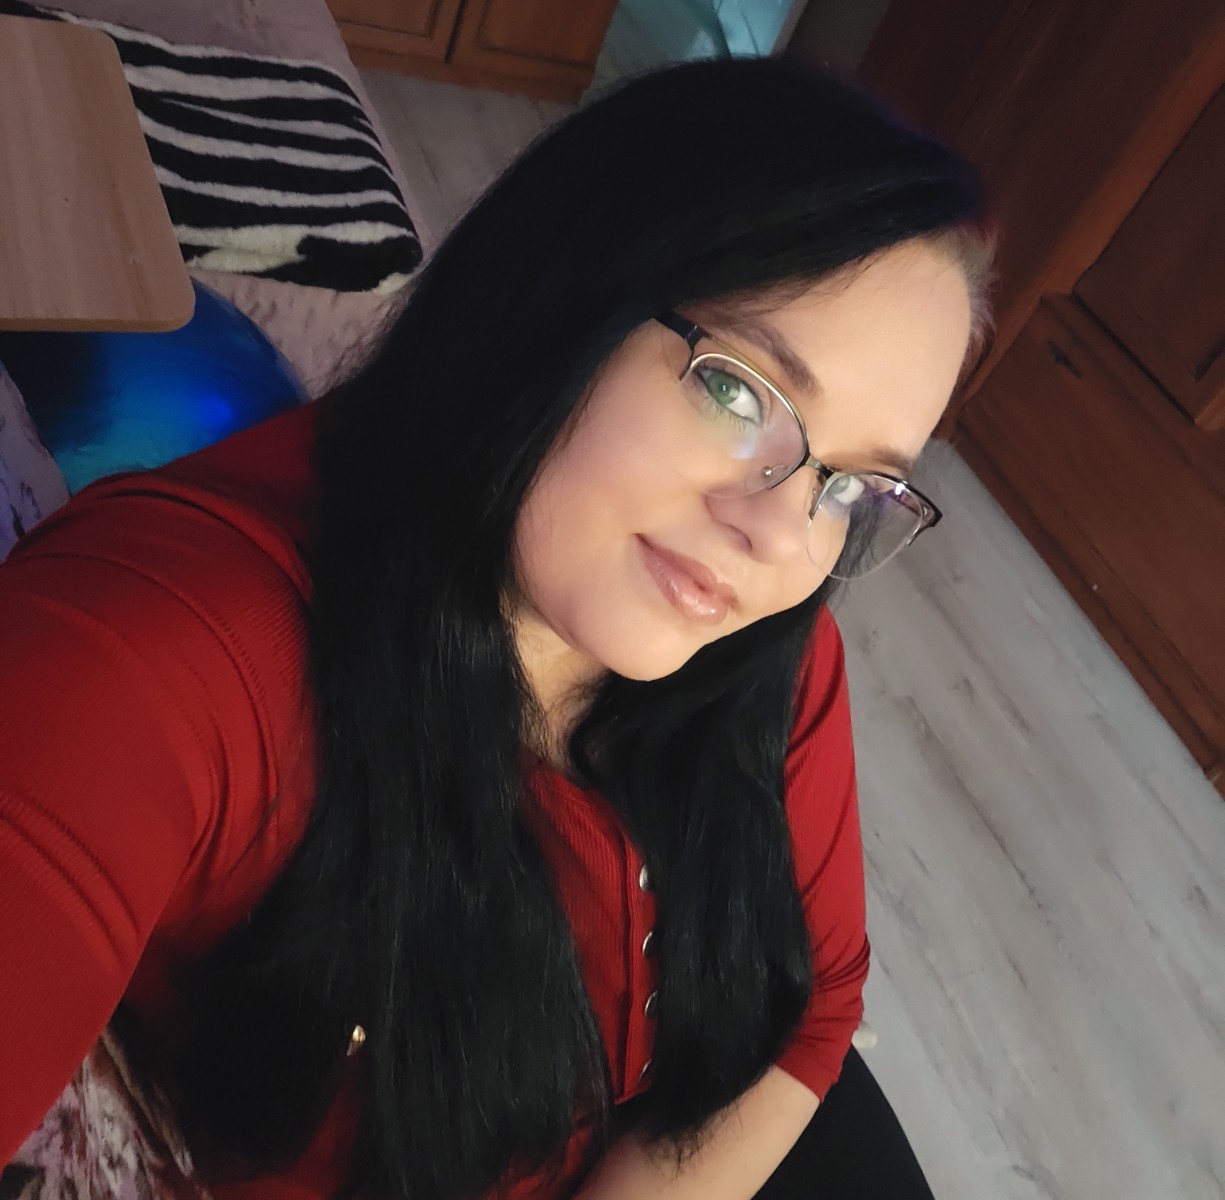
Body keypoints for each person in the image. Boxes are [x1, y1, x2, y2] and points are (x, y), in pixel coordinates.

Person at [0, 56, 991, 1200]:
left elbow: (810, 1011)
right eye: (737, 390)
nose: (778, 533)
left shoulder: (767, 644)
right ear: (560, 297)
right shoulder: (164, 652)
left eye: (853, 486)